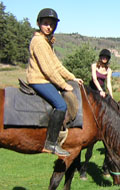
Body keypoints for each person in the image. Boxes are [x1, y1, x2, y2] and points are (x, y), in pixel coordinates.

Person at [26, 8, 83, 157]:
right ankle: (50, 143)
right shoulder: (39, 42)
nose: (49, 27)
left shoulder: (46, 42)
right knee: (61, 105)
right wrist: (64, 85)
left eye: (51, 24)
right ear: (39, 24)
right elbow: (48, 70)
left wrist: (72, 77)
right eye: (45, 23)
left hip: (44, 79)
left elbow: (57, 65)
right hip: (38, 80)